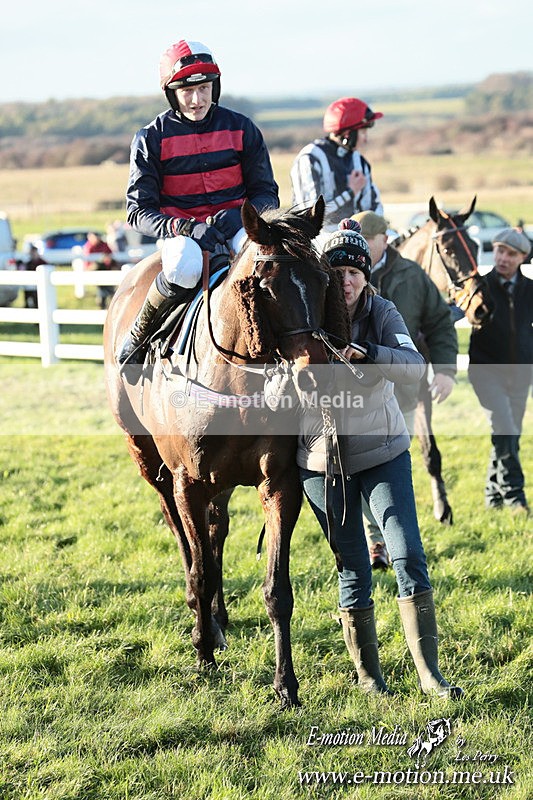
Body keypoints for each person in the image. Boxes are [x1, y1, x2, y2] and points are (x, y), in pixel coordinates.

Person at [297, 219, 462, 698]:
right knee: (353, 567)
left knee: (408, 553)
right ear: (323, 275)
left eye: (354, 272)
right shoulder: (303, 316)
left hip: (382, 451)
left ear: (367, 277)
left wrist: (368, 352)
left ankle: (429, 674)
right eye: (337, 271)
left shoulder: (382, 310)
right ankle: (370, 678)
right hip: (319, 463)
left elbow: (413, 368)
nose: (346, 281)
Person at [118, 39, 279, 364]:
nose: (197, 99)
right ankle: (141, 335)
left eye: (204, 88)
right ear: (171, 93)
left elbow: (266, 193)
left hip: (238, 227)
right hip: (184, 236)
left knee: (273, 261)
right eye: (187, 91)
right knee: (184, 267)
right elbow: (137, 213)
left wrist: (242, 217)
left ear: (214, 86)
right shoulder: (151, 139)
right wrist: (186, 227)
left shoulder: (243, 128)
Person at [353, 211, 459, 569]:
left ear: (385, 239)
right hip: (355, 395)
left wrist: (445, 370)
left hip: (402, 391)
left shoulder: (412, 275)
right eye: (359, 239)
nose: (364, 247)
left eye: (369, 240)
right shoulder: (340, 277)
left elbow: (440, 322)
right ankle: (376, 541)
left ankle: (399, 537)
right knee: (362, 464)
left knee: (394, 463)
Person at [468, 227, 533, 514]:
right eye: (499, 251)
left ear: (522, 257)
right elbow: (457, 311)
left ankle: (492, 495)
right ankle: (514, 495)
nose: (503, 258)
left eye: (511, 253)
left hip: (520, 373)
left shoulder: (530, 290)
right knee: (505, 426)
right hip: (486, 372)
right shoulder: (479, 286)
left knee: (509, 433)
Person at [290, 97, 383, 233]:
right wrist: (350, 193)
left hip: (358, 237)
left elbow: (374, 208)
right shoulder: (310, 158)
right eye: (363, 132)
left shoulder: (360, 161)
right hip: (317, 240)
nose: (366, 139)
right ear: (347, 134)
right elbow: (310, 215)